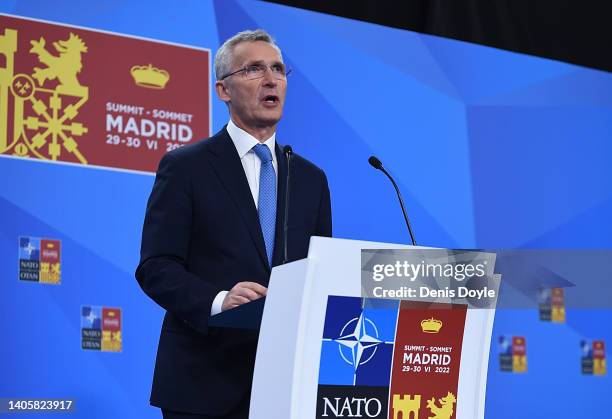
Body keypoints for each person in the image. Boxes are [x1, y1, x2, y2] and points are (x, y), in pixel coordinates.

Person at [135, 29, 332, 419]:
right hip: (203, 384)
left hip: (284, 385)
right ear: (223, 90)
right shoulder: (186, 167)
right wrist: (219, 300)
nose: (272, 78)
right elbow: (156, 267)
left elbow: (318, 276)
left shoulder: (309, 178)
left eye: (278, 68)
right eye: (254, 69)